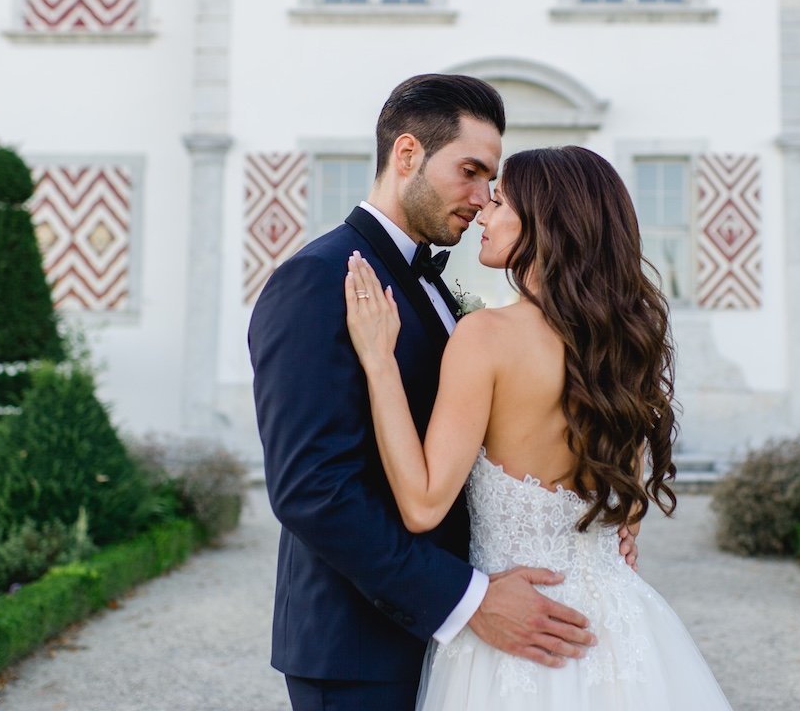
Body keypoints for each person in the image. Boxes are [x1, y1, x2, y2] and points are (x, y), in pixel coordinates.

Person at [249, 75, 632, 711]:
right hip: (362, 650)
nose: (485, 199)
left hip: (459, 643)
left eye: (495, 181)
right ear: (407, 156)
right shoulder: (317, 281)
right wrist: (466, 600)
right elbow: (311, 489)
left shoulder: (441, 287)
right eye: (472, 171)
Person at [344, 145, 734, 709]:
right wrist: (624, 526)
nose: (482, 212)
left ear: (544, 224)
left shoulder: (485, 339)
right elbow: (626, 503)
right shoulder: (624, 344)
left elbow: (424, 504)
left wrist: (380, 364)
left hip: (519, 635)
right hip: (623, 630)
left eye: (498, 201)